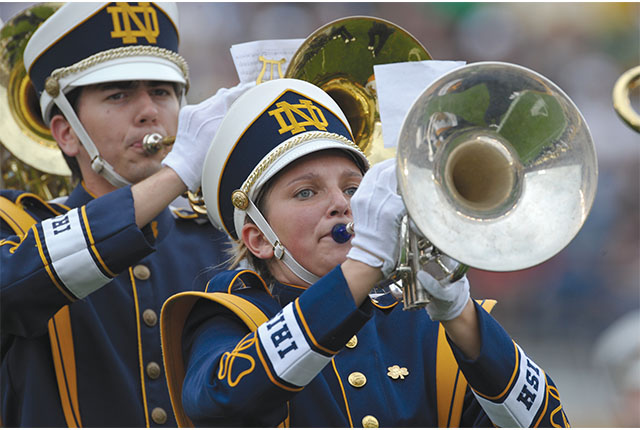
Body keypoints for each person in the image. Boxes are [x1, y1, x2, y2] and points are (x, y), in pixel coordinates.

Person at [160, 78, 571, 427]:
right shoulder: (230, 314)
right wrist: (364, 264)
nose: (342, 204)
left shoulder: (423, 325)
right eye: (306, 192)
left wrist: (460, 311)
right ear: (259, 239)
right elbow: (219, 401)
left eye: (354, 188)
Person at [0, 2, 252, 426]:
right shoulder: (16, 225)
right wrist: (179, 173)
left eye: (162, 91)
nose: (148, 111)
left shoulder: (220, 237)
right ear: (66, 133)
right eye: (118, 95)